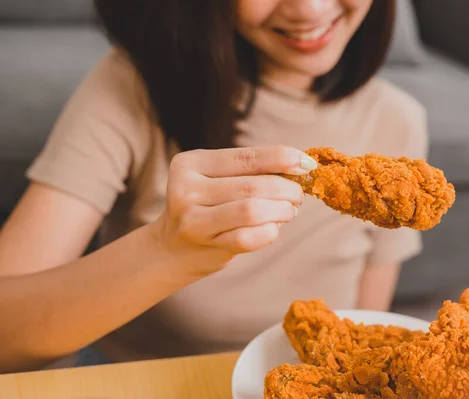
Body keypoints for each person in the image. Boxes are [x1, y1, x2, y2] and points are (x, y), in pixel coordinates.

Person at [0, 0, 427, 372]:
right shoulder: (132, 86)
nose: (310, 8)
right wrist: (166, 251)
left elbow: (369, 326)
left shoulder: (399, 121)